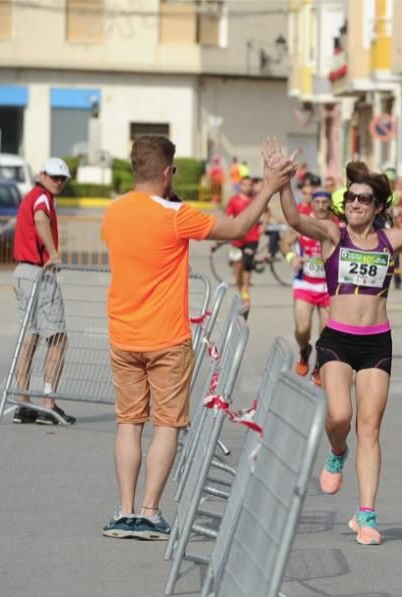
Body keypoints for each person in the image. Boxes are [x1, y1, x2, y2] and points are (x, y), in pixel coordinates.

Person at [100, 135, 294, 540]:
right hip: (167, 339)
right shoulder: (176, 217)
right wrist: (269, 188)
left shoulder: (112, 214)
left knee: (129, 424)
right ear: (168, 172)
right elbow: (239, 227)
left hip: (123, 335)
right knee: (166, 425)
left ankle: (124, 511)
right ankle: (150, 513)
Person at [278, 151, 402, 546]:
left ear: (378, 206)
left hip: (376, 342)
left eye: (365, 199)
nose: (356, 204)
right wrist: (283, 182)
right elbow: (294, 219)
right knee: (340, 415)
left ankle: (366, 514)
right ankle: (336, 451)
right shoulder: (333, 234)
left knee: (371, 426)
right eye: (352, 198)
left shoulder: (389, 240)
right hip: (336, 340)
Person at [10, 158, 77, 426]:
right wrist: (54, 252)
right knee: (58, 338)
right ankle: (48, 404)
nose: (58, 181)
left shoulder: (33, 195)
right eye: (54, 177)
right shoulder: (43, 198)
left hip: (22, 272)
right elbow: (40, 218)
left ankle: (22, 403)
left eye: (62, 178)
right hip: (38, 273)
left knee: (30, 338)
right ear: (42, 175)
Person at [283, 189, 339, 384]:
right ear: (312, 204)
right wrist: (292, 257)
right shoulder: (303, 223)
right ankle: (304, 349)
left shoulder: (338, 226)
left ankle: (318, 365)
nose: (322, 206)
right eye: (318, 202)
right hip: (305, 283)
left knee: (326, 332)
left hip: (328, 288)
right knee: (303, 329)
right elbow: (285, 244)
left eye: (326, 202)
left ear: (330, 205)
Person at [224, 176, 260, 309]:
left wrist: (264, 226)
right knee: (238, 267)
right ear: (240, 186)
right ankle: (241, 288)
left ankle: (245, 291)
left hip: (252, 237)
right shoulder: (234, 201)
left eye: (250, 184)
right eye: (245, 184)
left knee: (247, 264)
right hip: (236, 238)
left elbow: (266, 212)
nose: (248, 187)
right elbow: (227, 216)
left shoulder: (256, 200)